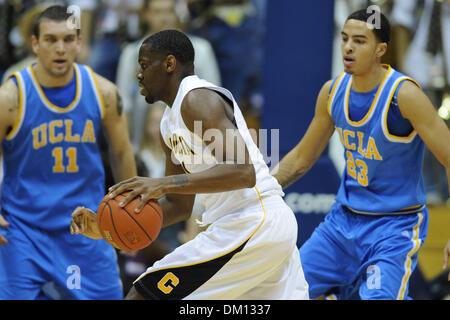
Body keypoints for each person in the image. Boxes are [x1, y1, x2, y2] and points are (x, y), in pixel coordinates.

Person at [71, 29, 309, 300]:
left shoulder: (197, 99)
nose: (139, 74)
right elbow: (177, 206)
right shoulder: (167, 124)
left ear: (169, 64)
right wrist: (107, 227)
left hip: (253, 222)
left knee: (142, 295)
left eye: (145, 65)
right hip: (254, 231)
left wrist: (161, 183)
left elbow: (243, 172)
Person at [271, 9, 450, 300]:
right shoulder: (332, 92)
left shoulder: (404, 96)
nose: (348, 47)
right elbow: (301, 159)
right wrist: (257, 194)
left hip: (394, 227)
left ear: (381, 49)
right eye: (344, 39)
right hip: (342, 224)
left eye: (359, 41)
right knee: (287, 291)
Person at [0, 5, 137, 299]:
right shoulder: (10, 98)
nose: (60, 48)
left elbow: (123, 153)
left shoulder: (105, 93)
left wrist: (129, 209)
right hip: (23, 231)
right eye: (51, 39)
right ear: (34, 44)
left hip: (85, 226)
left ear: (79, 42)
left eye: (68, 39)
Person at [116, 0, 221, 150]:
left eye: (168, 11)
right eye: (157, 12)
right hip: (141, 138)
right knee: (141, 99)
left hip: (192, 134)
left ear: (177, 13)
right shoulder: (131, 53)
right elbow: (124, 104)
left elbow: (214, 99)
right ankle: (140, 154)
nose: (164, 18)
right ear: (146, 15)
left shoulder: (201, 49)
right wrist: (125, 150)